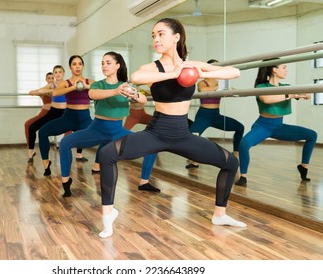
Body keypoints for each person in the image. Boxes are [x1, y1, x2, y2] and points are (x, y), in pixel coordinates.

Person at [97, 18, 246, 239]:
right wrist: (173, 74)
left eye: (161, 34)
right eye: (153, 36)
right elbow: (137, 77)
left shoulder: (192, 65)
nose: (156, 39)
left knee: (231, 163)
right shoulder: (153, 68)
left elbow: (234, 72)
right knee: (108, 153)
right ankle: (108, 214)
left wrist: (200, 72)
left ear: (176, 37)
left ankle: (220, 214)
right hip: (157, 132)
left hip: (183, 135)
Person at [58, 51, 157, 197]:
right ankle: (66, 182)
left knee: (152, 146)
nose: (104, 65)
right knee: (65, 142)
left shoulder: (126, 85)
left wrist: (134, 94)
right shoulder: (99, 84)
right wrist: (115, 91)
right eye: (102, 63)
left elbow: (142, 99)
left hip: (118, 132)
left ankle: (144, 182)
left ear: (117, 65)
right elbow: (93, 94)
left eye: (108, 63)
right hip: (97, 130)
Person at [235, 60, 317, 187]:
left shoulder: (286, 87)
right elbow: (267, 99)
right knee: (244, 144)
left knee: (312, 135)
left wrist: (305, 95)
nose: (286, 70)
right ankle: (243, 177)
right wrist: (289, 95)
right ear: (274, 69)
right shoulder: (261, 87)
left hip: (279, 127)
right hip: (263, 126)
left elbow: (303, 93)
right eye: (284, 67)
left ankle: (303, 167)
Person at [38, 55, 94, 176]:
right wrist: (74, 86)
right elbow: (56, 92)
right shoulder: (65, 83)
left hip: (85, 119)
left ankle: (97, 165)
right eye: (74, 64)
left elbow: (100, 91)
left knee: (108, 137)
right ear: (70, 67)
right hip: (69, 117)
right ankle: (46, 164)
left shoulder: (91, 82)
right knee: (42, 132)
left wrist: (86, 86)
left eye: (80, 63)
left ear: (83, 66)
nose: (77, 66)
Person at [185, 59, 244, 169]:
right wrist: (220, 87)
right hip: (204, 115)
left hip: (216, 115)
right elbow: (203, 90)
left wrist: (232, 90)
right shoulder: (203, 82)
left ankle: (236, 154)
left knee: (240, 127)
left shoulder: (220, 83)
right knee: (192, 136)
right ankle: (194, 161)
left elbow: (232, 91)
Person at [27, 65, 67, 165]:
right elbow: (39, 91)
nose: (58, 74)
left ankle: (78, 154)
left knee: (79, 128)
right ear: (54, 74)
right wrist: (52, 90)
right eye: (56, 72)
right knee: (32, 127)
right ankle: (34, 155)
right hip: (53, 112)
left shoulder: (67, 83)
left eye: (60, 72)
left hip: (65, 112)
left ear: (63, 73)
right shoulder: (51, 85)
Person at [25, 72, 53, 164]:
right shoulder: (43, 90)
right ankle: (30, 152)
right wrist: (41, 90)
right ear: (46, 80)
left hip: (55, 113)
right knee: (28, 125)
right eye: (49, 78)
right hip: (44, 113)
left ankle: (77, 153)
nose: (51, 80)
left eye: (52, 78)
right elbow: (31, 92)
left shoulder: (58, 89)